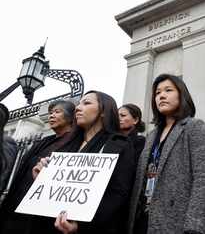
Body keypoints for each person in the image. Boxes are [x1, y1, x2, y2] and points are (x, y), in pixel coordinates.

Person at [34, 91, 137, 234]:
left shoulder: (119, 144)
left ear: (103, 111)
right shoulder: (68, 144)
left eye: (87, 103)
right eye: (79, 104)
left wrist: (81, 227)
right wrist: (42, 176)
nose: (78, 108)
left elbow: (118, 193)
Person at [127, 74, 205, 234]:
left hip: (177, 221)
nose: (161, 96)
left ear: (181, 94)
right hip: (142, 220)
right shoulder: (151, 135)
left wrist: (194, 225)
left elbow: (203, 179)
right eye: (157, 93)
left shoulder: (194, 127)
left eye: (168, 90)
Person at [0, 100, 75, 234]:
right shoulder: (44, 141)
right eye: (50, 113)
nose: (51, 116)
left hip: (39, 213)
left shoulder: (76, 143)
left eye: (57, 112)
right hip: (17, 201)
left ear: (71, 117)